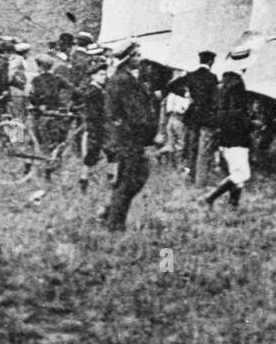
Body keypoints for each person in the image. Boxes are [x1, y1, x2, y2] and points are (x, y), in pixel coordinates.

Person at [102, 42, 156, 231]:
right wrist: (150, 131)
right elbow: (136, 114)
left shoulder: (121, 78)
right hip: (129, 138)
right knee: (129, 181)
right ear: (128, 58)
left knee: (132, 180)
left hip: (125, 137)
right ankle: (114, 224)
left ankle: (110, 214)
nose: (140, 59)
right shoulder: (125, 81)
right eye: (137, 55)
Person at [203, 71, 254, 210]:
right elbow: (243, 124)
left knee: (236, 175)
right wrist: (253, 124)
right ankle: (211, 197)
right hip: (237, 143)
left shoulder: (223, 104)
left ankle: (233, 204)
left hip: (227, 143)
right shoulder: (237, 108)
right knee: (242, 174)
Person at [167, 51, 219, 185]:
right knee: (204, 149)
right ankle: (200, 181)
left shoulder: (191, 75)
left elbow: (171, 86)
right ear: (211, 62)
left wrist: (184, 94)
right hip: (207, 115)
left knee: (192, 146)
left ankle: (190, 175)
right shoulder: (212, 78)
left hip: (193, 115)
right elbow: (215, 98)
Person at [75, 56, 110, 192]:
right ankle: (84, 181)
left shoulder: (96, 90)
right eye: (101, 74)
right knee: (92, 154)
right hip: (95, 127)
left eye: (105, 74)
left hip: (96, 126)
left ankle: (88, 179)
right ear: (93, 76)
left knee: (95, 154)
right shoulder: (94, 92)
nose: (104, 77)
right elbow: (96, 113)